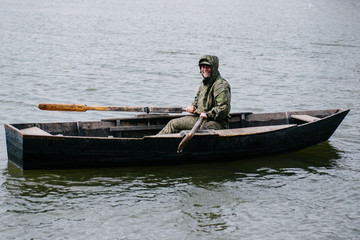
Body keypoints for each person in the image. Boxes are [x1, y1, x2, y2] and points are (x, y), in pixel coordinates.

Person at [157, 55, 231, 135]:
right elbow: (197, 100)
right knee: (173, 123)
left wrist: (208, 114)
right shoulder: (204, 83)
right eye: (203, 67)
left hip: (217, 123)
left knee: (202, 130)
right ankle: (154, 141)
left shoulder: (221, 85)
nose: (205, 69)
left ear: (214, 68)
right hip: (199, 119)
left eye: (208, 67)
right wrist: (193, 106)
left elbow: (224, 108)